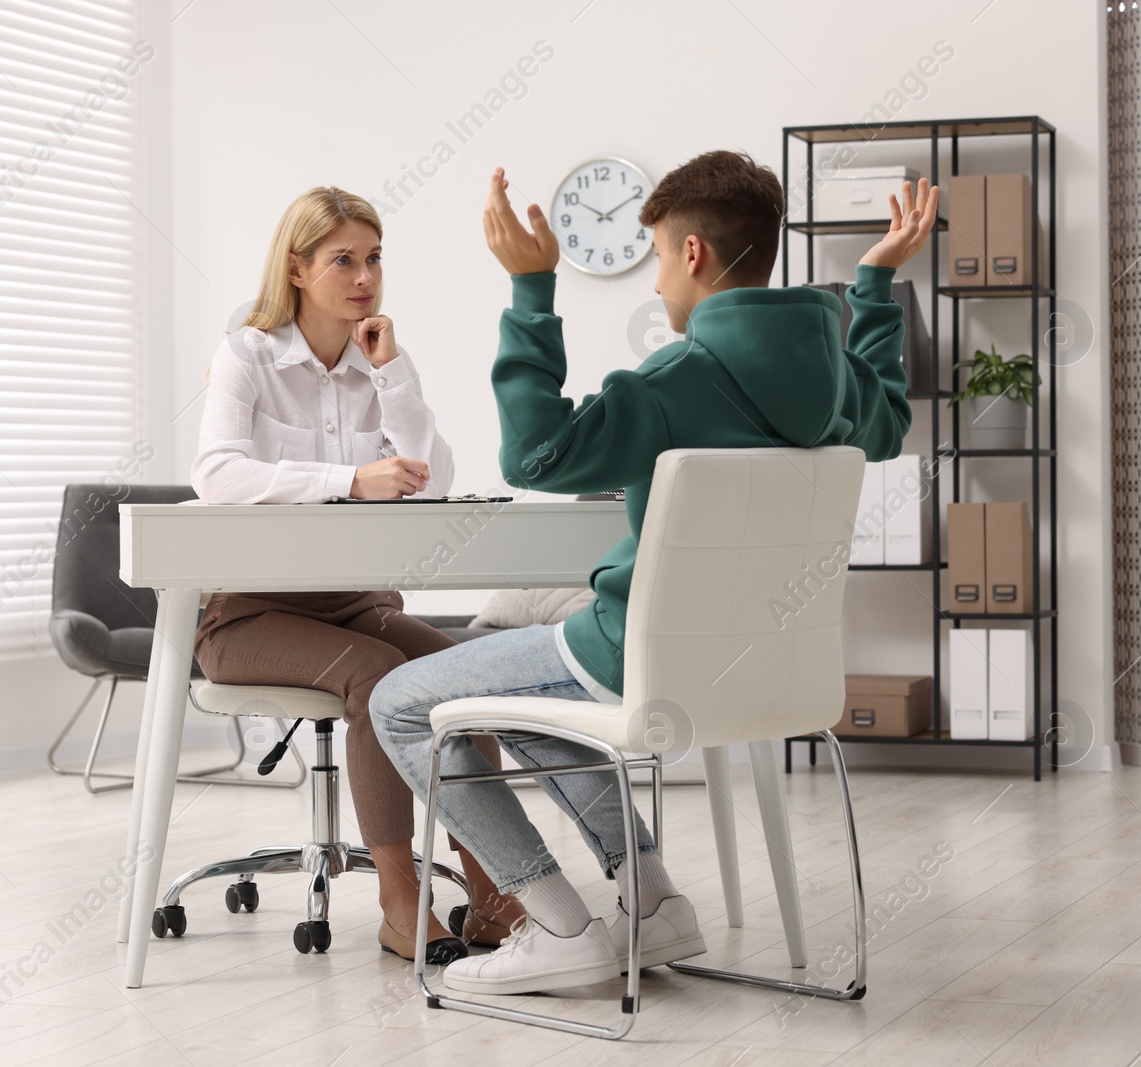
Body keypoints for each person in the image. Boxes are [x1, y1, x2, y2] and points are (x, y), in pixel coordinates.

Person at [370, 152, 938, 994]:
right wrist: (875, 282)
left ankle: (558, 922)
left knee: (400, 703)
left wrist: (533, 292)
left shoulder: (679, 378)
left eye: (663, 260)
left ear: (696, 255)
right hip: (763, 674)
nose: (662, 283)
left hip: (632, 658)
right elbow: (889, 419)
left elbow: (535, 453)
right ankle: (654, 899)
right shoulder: (840, 376)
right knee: (530, 703)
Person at [191, 186, 524, 964]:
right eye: (344, 258)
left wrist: (393, 374)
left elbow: (434, 479)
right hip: (248, 618)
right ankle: (398, 898)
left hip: (354, 604)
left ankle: (491, 894)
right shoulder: (248, 354)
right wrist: (349, 479)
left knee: (464, 678)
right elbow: (216, 473)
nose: (365, 275)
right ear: (299, 269)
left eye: (374, 258)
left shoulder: (375, 365)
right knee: (378, 677)